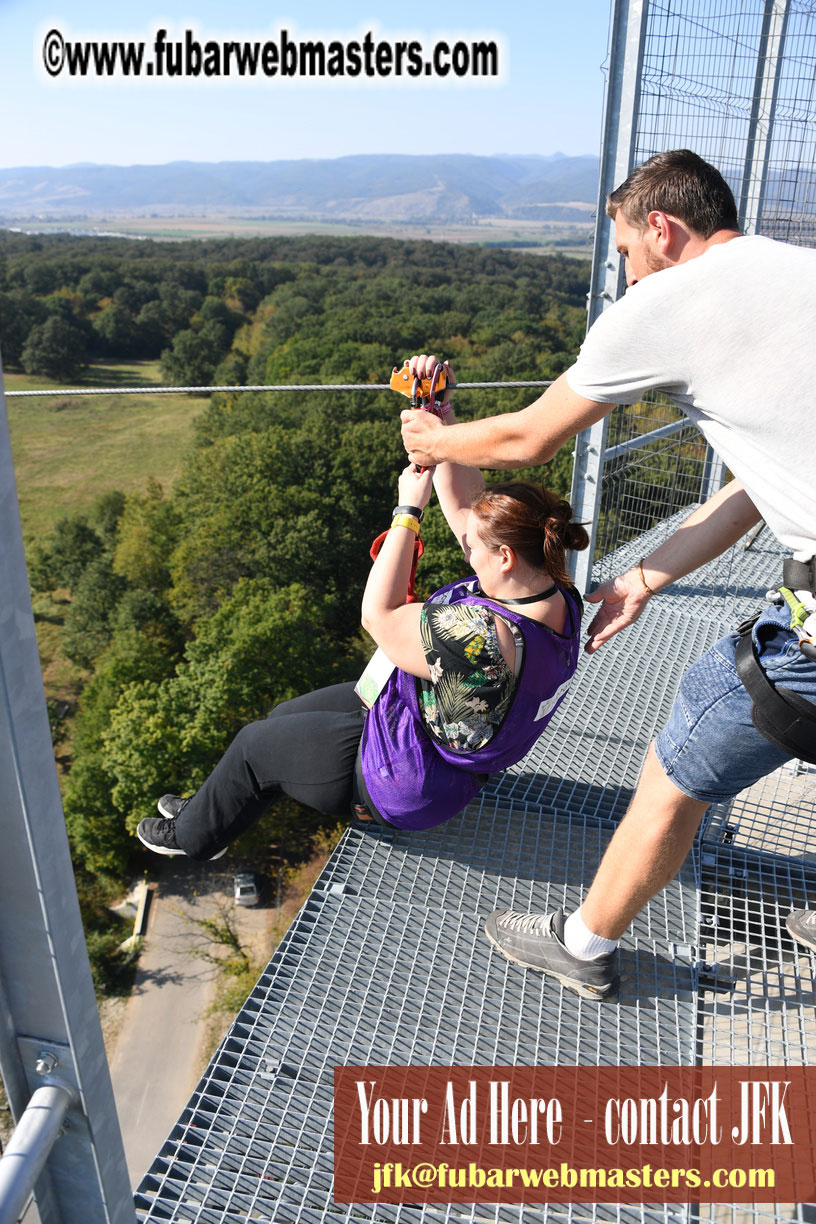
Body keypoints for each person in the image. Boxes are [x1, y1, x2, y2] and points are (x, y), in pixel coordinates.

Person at [400, 149, 816, 999]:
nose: (624, 274)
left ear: (660, 229)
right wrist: (644, 579)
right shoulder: (796, 275)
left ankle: (584, 945)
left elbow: (528, 439)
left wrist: (432, 442)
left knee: (682, 759)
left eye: (623, 250)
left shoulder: (671, 297)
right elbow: (758, 486)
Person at [137, 400, 590, 885]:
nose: (464, 546)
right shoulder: (555, 594)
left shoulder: (482, 641)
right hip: (421, 720)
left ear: (503, 556)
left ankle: (195, 837)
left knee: (253, 746)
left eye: (472, 547)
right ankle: (217, 806)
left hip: (404, 778)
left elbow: (379, 615)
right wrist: (440, 426)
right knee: (282, 719)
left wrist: (407, 512)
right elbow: (465, 506)